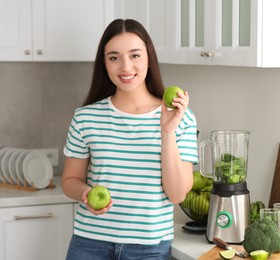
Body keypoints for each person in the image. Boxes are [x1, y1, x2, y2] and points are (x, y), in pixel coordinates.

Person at [62, 19, 198, 260]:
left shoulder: (181, 117)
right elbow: (71, 180)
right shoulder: (86, 118)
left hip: (149, 248)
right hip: (89, 244)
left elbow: (176, 195)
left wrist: (167, 132)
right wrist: (85, 193)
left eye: (135, 55)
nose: (125, 67)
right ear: (104, 63)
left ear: (149, 58)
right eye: (114, 57)